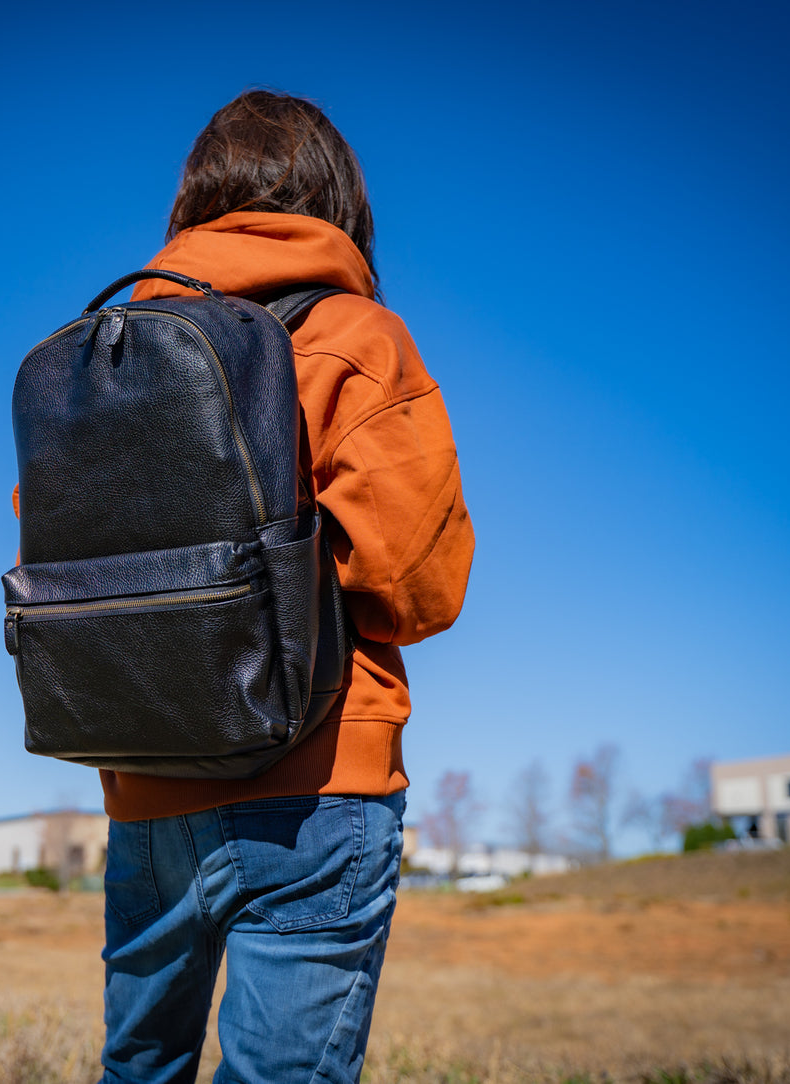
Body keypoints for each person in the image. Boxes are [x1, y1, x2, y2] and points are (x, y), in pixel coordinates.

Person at [89, 90, 476, 1084]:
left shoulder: (111, 353)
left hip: (144, 787)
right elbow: (412, 584)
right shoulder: (353, 335)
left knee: (138, 1068)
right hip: (315, 783)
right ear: (335, 197)